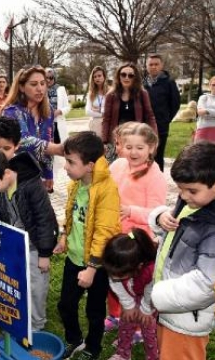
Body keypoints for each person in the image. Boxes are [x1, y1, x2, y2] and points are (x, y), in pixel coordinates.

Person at [148, 142, 215, 360]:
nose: (183, 196)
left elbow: (207, 284)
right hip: (170, 307)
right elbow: (174, 234)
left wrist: (157, 296)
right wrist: (160, 217)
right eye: (180, 189)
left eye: (191, 190)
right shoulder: (195, 202)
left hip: (186, 320)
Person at [53, 131, 121, 360]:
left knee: (94, 311)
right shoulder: (76, 184)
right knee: (65, 305)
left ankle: (93, 347)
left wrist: (92, 268)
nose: (65, 167)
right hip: (74, 259)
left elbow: (105, 232)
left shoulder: (106, 190)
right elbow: (71, 215)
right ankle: (74, 339)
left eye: (71, 162)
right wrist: (64, 237)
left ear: (90, 165)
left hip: (96, 265)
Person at [0, 147, 58, 331]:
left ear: (6, 173)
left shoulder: (32, 185)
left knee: (36, 285)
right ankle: (16, 319)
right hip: (13, 244)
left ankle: (36, 324)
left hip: (35, 245)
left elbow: (45, 219)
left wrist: (44, 253)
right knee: (14, 282)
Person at [105, 122, 166, 332]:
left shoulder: (155, 175)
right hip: (115, 234)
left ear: (151, 148)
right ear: (120, 146)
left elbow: (157, 213)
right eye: (128, 146)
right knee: (114, 276)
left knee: (137, 283)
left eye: (140, 148)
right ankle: (115, 314)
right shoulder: (117, 166)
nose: (133, 152)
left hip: (139, 239)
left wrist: (131, 211)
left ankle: (141, 325)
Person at [1, 66, 65, 192]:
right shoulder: (11, 112)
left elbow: (48, 138)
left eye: (42, 83)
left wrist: (48, 173)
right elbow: (22, 140)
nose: (40, 88)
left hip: (39, 177)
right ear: (21, 87)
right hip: (17, 177)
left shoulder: (49, 112)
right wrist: (58, 148)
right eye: (34, 84)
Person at [102, 229, 159, 360]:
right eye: (111, 272)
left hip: (150, 298)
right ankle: (122, 354)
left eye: (120, 275)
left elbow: (150, 291)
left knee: (149, 328)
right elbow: (115, 283)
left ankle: (153, 356)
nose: (114, 277)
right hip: (132, 294)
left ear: (138, 266)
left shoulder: (151, 270)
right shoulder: (116, 265)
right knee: (126, 322)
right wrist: (128, 306)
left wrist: (145, 310)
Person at [102, 63, 158, 162]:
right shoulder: (111, 95)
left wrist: (154, 137)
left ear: (135, 78)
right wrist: (104, 141)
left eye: (130, 75)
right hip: (117, 139)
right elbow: (106, 119)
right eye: (123, 74)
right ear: (118, 76)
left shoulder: (142, 94)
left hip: (137, 137)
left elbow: (150, 116)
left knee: (135, 166)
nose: (126, 77)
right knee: (117, 169)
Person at [143, 54, 181, 171]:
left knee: (158, 156)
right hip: (143, 126)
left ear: (161, 65)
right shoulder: (143, 83)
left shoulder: (169, 82)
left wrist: (166, 119)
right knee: (143, 155)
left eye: (156, 64)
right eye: (151, 64)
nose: (153, 67)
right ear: (146, 66)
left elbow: (175, 104)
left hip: (161, 126)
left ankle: (158, 185)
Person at [194, 76, 215, 144]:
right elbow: (200, 113)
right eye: (213, 85)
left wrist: (206, 111)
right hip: (202, 127)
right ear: (209, 85)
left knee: (214, 152)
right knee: (198, 151)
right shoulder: (203, 97)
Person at [46, 67, 70, 144]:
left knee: (58, 148)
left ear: (54, 78)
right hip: (45, 124)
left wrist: (59, 111)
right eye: (46, 78)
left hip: (58, 123)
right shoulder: (41, 90)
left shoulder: (61, 89)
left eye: (51, 77)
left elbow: (67, 107)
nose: (48, 80)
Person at [86, 66, 108, 138]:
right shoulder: (91, 93)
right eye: (95, 77)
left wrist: (99, 109)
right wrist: (104, 112)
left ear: (104, 76)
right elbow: (88, 111)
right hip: (95, 124)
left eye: (99, 76)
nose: (97, 78)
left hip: (108, 123)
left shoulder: (110, 92)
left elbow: (112, 110)